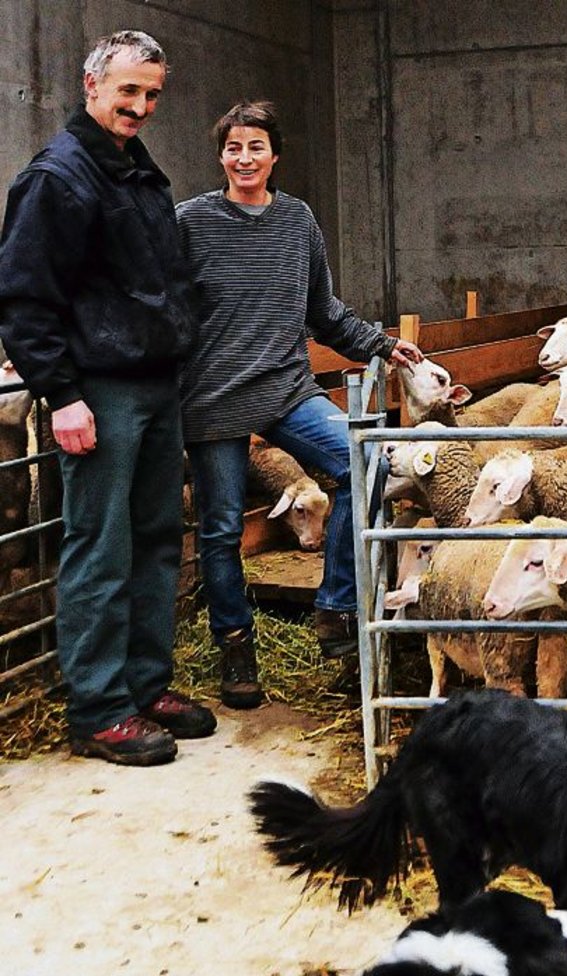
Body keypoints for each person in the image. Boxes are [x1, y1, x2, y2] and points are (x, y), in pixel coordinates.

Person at [0, 31, 216, 765]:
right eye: (128, 91)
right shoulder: (57, 179)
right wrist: (61, 394)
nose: (141, 106)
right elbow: (25, 299)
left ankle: (143, 684)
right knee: (100, 545)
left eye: (152, 94)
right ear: (93, 86)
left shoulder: (136, 172)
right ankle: (97, 709)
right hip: (100, 390)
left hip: (156, 383)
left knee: (157, 538)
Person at [178, 100, 421, 708]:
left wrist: (380, 344)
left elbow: (323, 312)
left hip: (287, 387)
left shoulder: (297, 221)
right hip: (212, 398)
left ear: (274, 154)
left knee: (365, 464)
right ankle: (236, 648)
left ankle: (336, 609)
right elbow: (155, 304)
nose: (244, 158)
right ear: (220, 156)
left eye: (255, 147)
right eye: (233, 148)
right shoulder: (190, 223)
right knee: (222, 527)